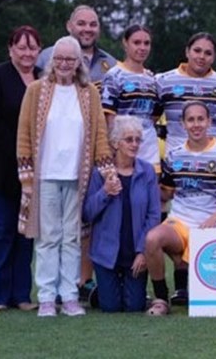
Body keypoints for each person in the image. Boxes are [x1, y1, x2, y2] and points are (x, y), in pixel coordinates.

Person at [17, 35, 112, 317]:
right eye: (59, 59)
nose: (64, 64)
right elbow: (23, 134)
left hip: (77, 176)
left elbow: (100, 136)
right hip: (45, 175)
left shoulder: (89, 93)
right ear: (51, 60)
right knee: (47, 238)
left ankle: (69, 295)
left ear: (79, 62)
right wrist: (26, 174)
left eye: (70, 59)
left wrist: (106, 170)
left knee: (72, 237)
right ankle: (47, 297)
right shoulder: (35, 90)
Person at [144, 101, 216, 315]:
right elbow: (166, 193)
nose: (196, 124)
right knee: (152, 239)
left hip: (209, 226)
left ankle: (183, 285)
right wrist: (145, 181)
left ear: (209, 122)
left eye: (200, 119)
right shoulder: (174, 155)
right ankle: (161, 298)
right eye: (191, 120)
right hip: (179, 222)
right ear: (183, 124)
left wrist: (215, 218)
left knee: (196, 279)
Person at [0, 26, 41, 312]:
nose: (27, 53)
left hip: (36, 171)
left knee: (27, 232)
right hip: (2, 167)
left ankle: (22, 295)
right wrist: (21, 153)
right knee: (3, 229)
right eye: (22, 47)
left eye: (32, 48)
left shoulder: (43, 77)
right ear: (11, 49)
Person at [82, 115, 161, 312]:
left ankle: (134, 290)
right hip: (106, 254)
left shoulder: (147, 172)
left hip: (134, 253)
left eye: (137, 139)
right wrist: (105, 192)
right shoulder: (100, 173)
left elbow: (154, 215)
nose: (134, 144)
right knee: (111, 307)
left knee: (134, 307)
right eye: (129, 139)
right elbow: (87, 214)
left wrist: (143, 251)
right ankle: (100, 290)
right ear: (115, 143)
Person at [155, 32, 216, 151]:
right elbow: (149, 120)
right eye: (197, 50)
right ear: (187, 51)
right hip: (177, 160)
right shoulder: (163, 81)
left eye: (208, 53)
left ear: (214, 57)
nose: (202, 56)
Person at [101, 24, 161, 168]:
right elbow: (109, 118)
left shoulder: (152, 79)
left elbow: (153, 116)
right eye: (136, 42)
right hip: (124, 147)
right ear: (125, 43)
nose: (142, 47)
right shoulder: (114, 76)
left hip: (149, 147)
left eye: (146, 43)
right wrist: (113, 148)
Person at [37, 5, 116, 88]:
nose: (87, 29)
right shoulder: (46, 57)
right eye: (81, 24)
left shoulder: (111, 64)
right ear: (69, 26)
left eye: (93, 25)